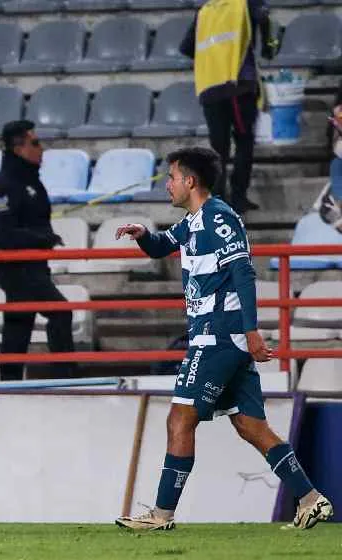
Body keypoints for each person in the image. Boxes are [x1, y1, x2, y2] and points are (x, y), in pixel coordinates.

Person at [114, 147, 333, 531]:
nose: (167, 184)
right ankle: (311, 499)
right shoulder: (193, 220)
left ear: (190, 181)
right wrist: (143, 235)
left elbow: (244, 275)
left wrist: (251, 332)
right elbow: (163, 245)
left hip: (217, 337)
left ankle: (162, 515)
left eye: (171, 177)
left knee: (179, 418)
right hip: (221, 338)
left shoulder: (219, 219)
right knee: (251, 426)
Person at [0, 120, 74, 381]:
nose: (41, 148)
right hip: (18, 267)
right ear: (18, 148)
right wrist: (43, 238)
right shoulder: (4, 185)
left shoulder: (27, 180)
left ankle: (8, 385)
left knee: (18, 325)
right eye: (35, 143)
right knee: (60, 312)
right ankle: (66, 380)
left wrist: (42, 238)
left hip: (32, 266)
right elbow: (5, 234)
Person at [180, 0, 278, 213]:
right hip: (237, 85)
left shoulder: (205, 11)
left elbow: (186, 48)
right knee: (244, 141)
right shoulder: (247, 4)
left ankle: (218, 199)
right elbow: (269, 39)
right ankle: (238, 196)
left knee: (218, 149)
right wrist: (271, 46)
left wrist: (214, 57)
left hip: (209, 88)